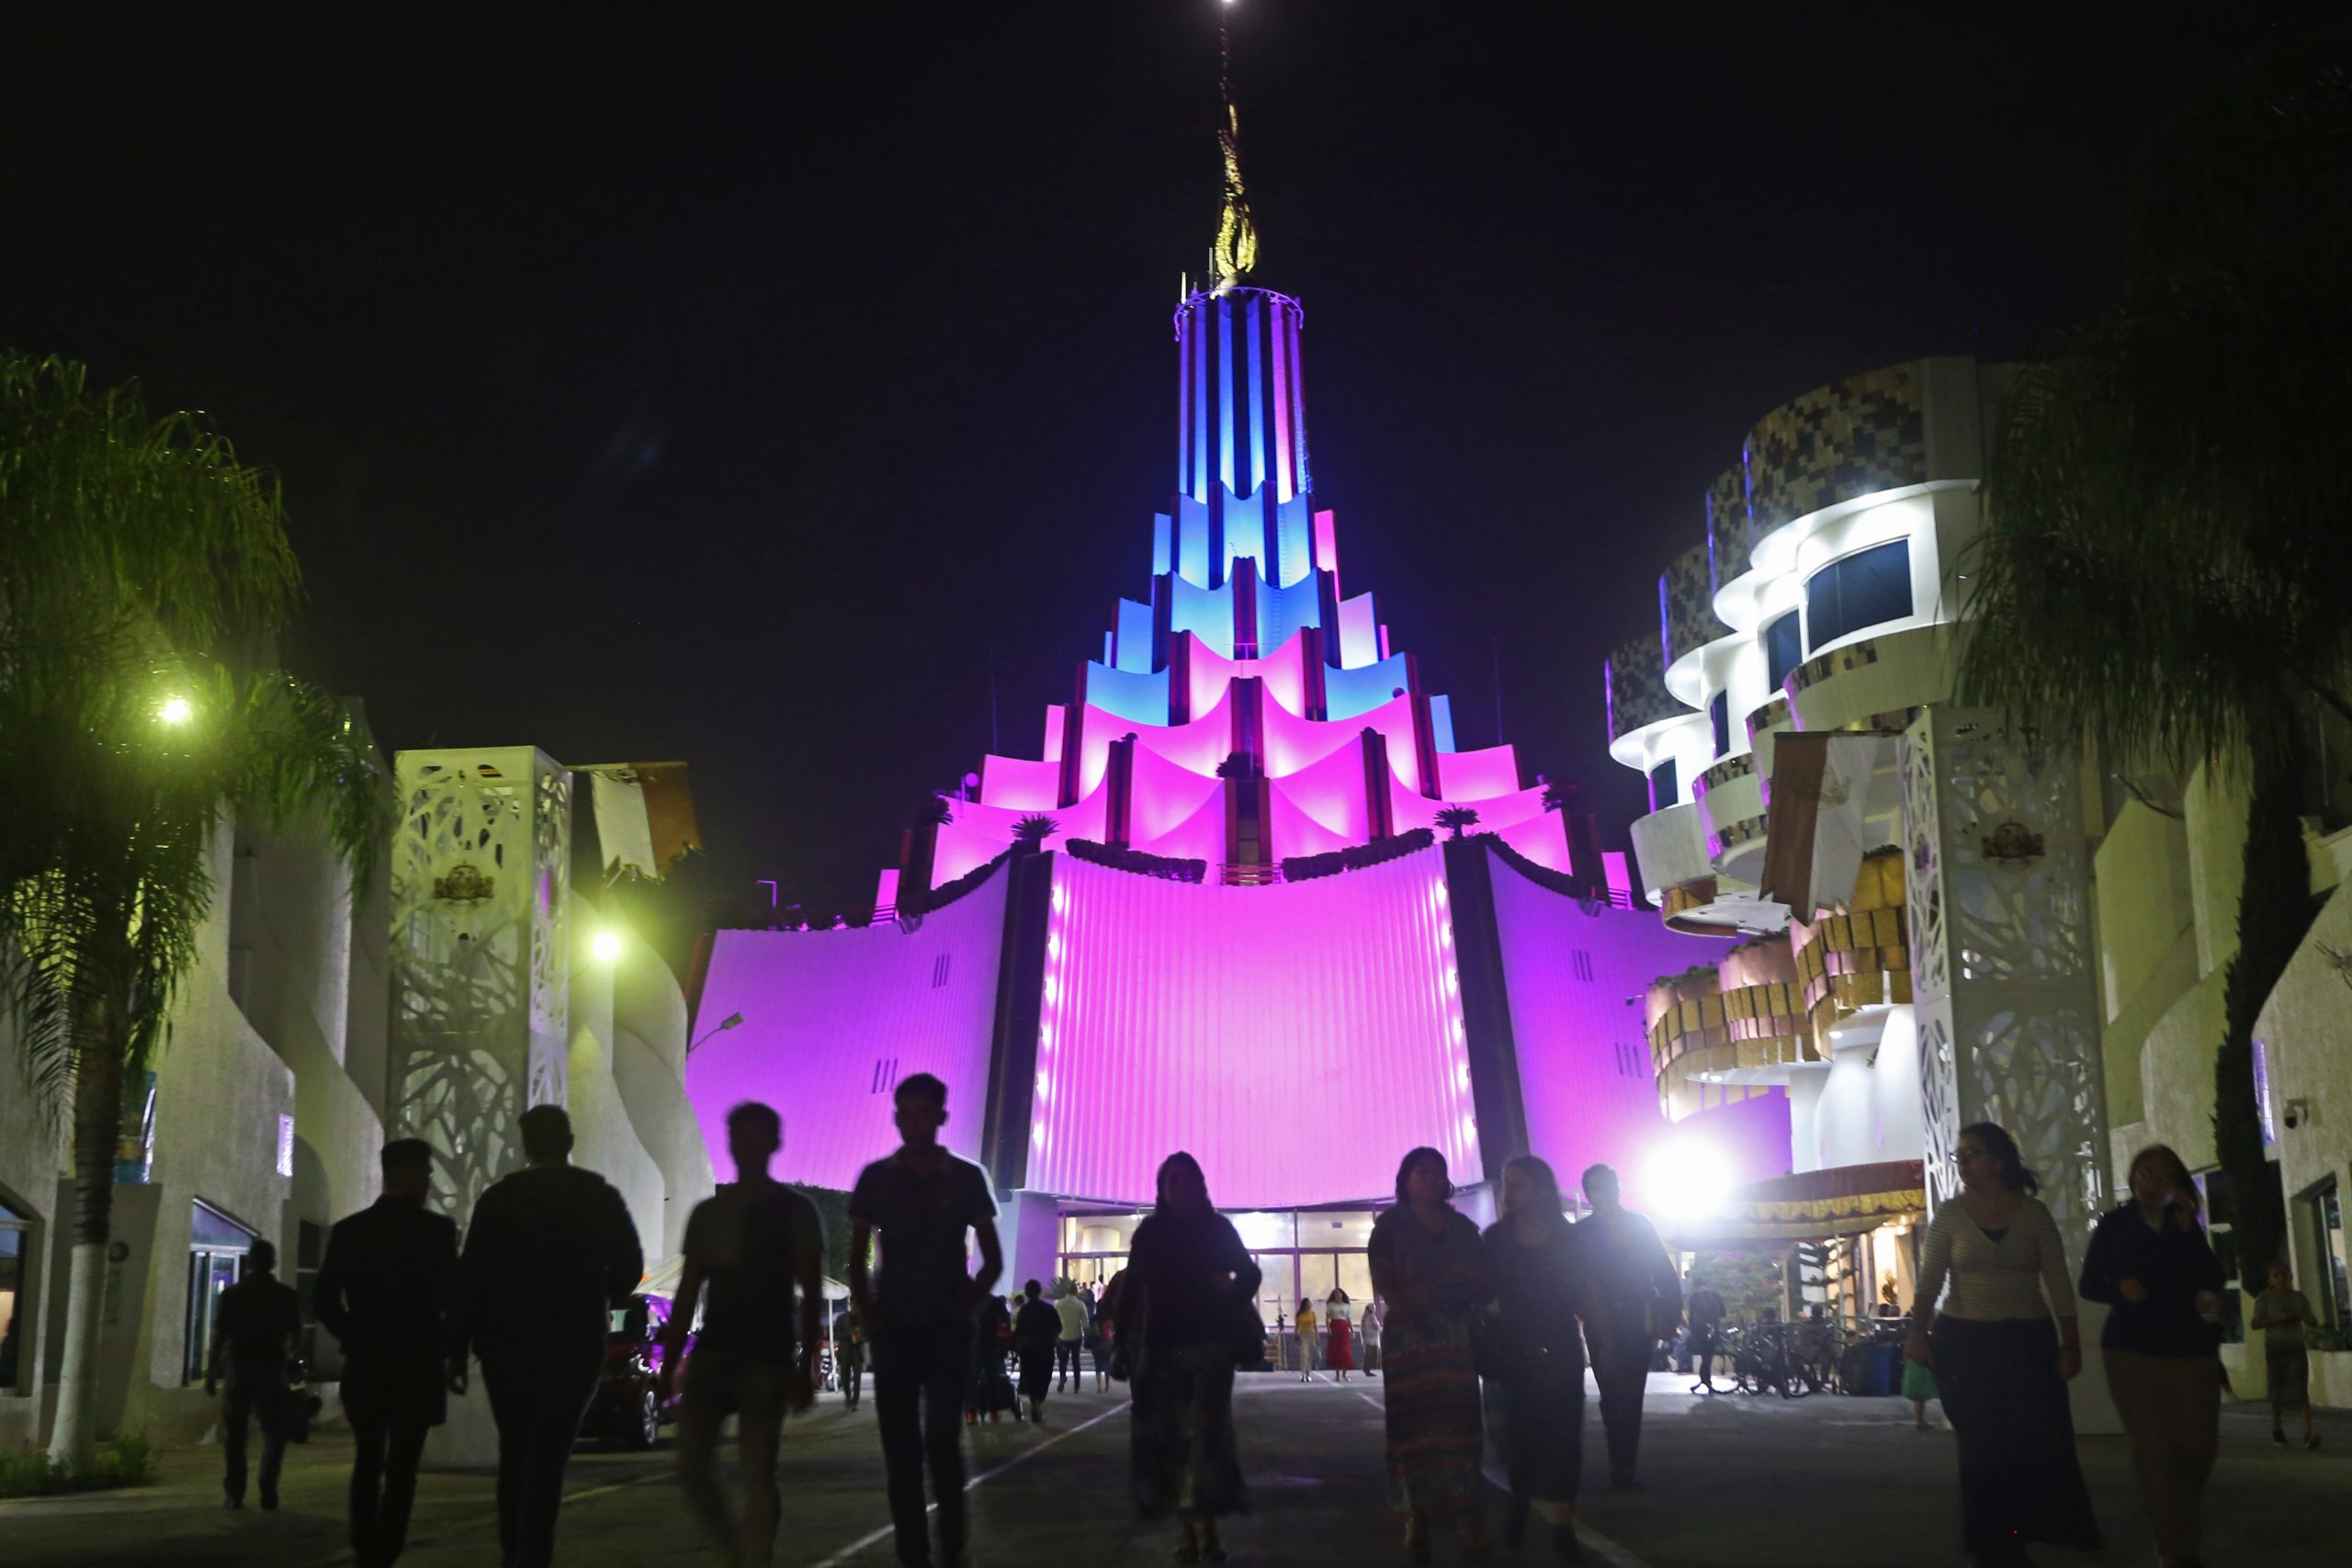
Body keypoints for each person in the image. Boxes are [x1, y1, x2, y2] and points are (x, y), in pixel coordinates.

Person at [461, 1103, 646, 1568]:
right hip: (574, 1340)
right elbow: (628, 1265)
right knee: (549, 1454)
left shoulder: (499, 1199)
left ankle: (514, 1551)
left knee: (516, 1449)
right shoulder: (597, 1195)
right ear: (569, 1142)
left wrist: (457, 1343)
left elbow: (471, 1276)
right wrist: (595, 1295)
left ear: (525, 1145)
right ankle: (534, 1554)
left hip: (507, 1343)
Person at [1907, 1122, 2098, 1567]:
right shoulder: (1951, 1216)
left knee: (2029, 1443)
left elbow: (2056, 1278)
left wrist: (2070, 1341)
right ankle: (1994, 1543)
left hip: (2025, 1342)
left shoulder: (2033, 1215)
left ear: (1998, 1161)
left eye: (1971, 1154)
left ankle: (2019, 1530)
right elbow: (1930, 1279)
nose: (1963, 1163)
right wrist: (1918, 1332)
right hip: (1966, 1341)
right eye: (1959, 1156)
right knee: (1980, 1446)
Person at [848, 1073, 1003, 1568]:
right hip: (894, 1330)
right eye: (904, 1113)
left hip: (945, 1333)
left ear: (941, 1117)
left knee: (941, 1438)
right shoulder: (876, 1179)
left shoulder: (964, 1177)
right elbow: (855, 1258)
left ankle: (952, 1546)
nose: (912, 1123)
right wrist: (870, 1315)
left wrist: (963, 1309)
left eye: (923, 1113)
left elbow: (993, 1259)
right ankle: (913, 1553)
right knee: (900, 1450)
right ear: (896, 1117)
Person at [663, 1101, 824, 1568]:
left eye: (756, 1137)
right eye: (740, 1136)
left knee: (758, 1469)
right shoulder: (710, 1213)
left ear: (773, 1143)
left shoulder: (796, 1211)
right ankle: (739, 1554)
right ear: (730, 1143)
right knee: (692, 1467)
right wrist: (672, 1361)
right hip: (715, 1350)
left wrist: (804, 1365)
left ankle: (755, 1559)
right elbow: (689, 1291)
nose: (747, 1146)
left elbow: (811, 1292)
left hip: (767, 1356)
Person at [312, 1138, 465, 1567]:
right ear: (412, 1174)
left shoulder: (351, 1231)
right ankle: (388, 1548)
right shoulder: (437, 1233)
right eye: (427, 1174)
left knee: (367, 1459)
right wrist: (453, 1352)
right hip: (417, 1362)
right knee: (403, 1468)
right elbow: (453, 1299)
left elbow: (324, 1298)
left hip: (369, 1361)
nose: (430, 1183)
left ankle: (365, 1546)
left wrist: (352, 1332)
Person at [2077, 1144, 2226, 1568]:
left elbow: (2212, 1277)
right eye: (2144, 1172)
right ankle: (2174, 1546)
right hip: (2132, 1348)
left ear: (2176, 1184)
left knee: (2198, 1447)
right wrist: (2119, 1289)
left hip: (2189, 1347)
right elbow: (2090, 1283)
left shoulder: (2184, 1227)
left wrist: (2186, 1226)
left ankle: (2182, 1527)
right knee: (2152, 1447)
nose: (2151, 1181)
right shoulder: (2116, 1224)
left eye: (2161, 1175)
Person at [1113, 1151, 1261, 1565]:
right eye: (1171, 1180)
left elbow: (1249, 1273)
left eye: (1187, 1179)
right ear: (1161, 1189)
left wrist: (1229, 1294)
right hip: (1162, 1348)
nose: (1179, 1187)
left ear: (1200, 1186)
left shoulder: (1217, 1229)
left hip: (1209, 1347)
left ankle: (1205, 1527)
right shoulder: (1151, 1233)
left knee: (1207, 1440)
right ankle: (1187, 1528)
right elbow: (1131, 1289)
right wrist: (1121, 1343)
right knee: (1170, 1443)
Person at [1368, 1146, 1488, 1562]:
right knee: (1411, 1429)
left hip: (1454, 1337)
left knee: (1459, 1426)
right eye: (1420, 1172)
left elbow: (1479, 1277)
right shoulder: (1389, 1227)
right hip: (1409, 1340)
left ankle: (1465, 1519)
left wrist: (1452, 1294)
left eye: (1437, 1172)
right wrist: (1410, 1308)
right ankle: (1415, 1519)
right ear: (1405, 1180)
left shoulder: (1462, 1228)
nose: (1430, 1179)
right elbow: (1383, 1277)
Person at [1483, 1156, 1593, 1562]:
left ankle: (1563, 1524)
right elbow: (1480, 1291)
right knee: (1516, 1431)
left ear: (1542, 1189)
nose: (1509, 1192)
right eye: (1506, 1183)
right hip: (1510, 1345)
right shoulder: (1495, 1238)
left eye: (1518, 1183)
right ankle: (1520, 1498)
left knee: (1564, 1434)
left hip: (1559, 1343)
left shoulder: (1569, 1238)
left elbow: (1586, 1291)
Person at [1562, 1163, 1680, 1489]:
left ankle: (1624, 1463)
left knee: (1633, 1391)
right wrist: (1583, 1311)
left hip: (1637, 1317)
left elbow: (1663, 1270)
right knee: (1614, 1390)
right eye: (1598, 1187)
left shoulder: (1639, 1225)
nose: (1607, 1192)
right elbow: (1572, 1281)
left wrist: (1671, 1312)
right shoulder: (1582, 1233)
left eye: (1610, 1184)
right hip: (1601, 1320)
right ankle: (1621, 1460)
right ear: (1589, 1194)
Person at [205, 1237, 301, 1511]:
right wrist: (287, 1357)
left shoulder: (233, 1295)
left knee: (235, 1436)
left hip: (239, 1368)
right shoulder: (286, 1295)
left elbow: (219, 1335)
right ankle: (268, 1485)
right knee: (274, 1433)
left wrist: (211, 1370)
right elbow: (296, 1337)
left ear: (248, 1262)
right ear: (272, 1263)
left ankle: (235, 1493)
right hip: (271, 1369)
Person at [2252, 1259, 2321, 1450]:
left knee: (2300, 1388)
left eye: (2284, 1275)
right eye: (2276, 1276)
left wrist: (2300, 1316)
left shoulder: (2298, 1298)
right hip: (2276, 1348)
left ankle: (2307, 1433)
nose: (2281, 1279)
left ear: (2290, 1277)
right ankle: (2277, 1427)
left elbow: (2313, 1320)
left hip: (2296, 1347)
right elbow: (2255, 1323)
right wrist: (2276, 1319)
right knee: (2277, 1388)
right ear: (2270, 1280)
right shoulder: (2265, 1299)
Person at [1014, 1280, 1061, 1423]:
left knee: (1032, 1377)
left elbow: (1019, 1331)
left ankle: (1034, 1401)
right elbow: (1058, 1327)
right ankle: (1038, 1402)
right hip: (1045, 1348)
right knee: (1044, 1376)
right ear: (1040, 1291)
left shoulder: (1024, 1311)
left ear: (1027, 1293)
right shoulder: (1048, 1309)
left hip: (1028, 1349)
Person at [1685, 1273, 1725, 1394]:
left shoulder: (1693, 1298)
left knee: (1705, 1356)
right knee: (1708, 1356)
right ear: (1705, 1284)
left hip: (1699, 1331)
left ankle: (1705, 1380)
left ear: (1695, 1286)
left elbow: (1691, 1316)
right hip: (1713, 1329)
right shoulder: (1715, 1295)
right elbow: (1723, 1312)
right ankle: (1706, 1380)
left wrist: (1692, 1331)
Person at [1054, 1281, 1089, 1393]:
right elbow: (1085, 1323)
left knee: (1062, 1361)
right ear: (1076, 1292)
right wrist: (1085, 1330)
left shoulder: (1058, 1303)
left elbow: (1054, 1319)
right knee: (1076, 1361)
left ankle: (1063, 1376)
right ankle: (1077, 1385)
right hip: (1076, 1336)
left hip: (1062, 1336)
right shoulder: (1080, 1304)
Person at [835, 1303, 867, 1412]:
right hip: (845, 1351)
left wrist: (861, 1338)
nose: (855, 1307)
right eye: (854, 1304)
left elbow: (867, 1334)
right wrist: (849, 1334)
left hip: (857, 1352)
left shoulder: (862, 1319)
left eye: (857, 1305)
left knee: (857, 1378)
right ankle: (848, 1397)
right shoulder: (842, 1318)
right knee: (845, 1377)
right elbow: (837, 1334)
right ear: (851, 1304)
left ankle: (855, 1401)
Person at [1326, 1288, 1355, 1382]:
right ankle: (1338, 1374)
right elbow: (1328, 1318)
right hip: (1334, 1326)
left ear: (1342, 1294)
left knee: (1345, 1351)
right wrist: (1329, 1329)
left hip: (1344, 1328)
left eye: (1339, 1293)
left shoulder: (1346, 1306)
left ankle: (1345, 1374)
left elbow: (1348, 1319)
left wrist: (1352, 1330)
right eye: (1335, 1294)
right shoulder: (1330, 1305)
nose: (1337, 1295)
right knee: (1336, 1350)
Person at [1294, 1297, 1319, 1382]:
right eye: (1308, 1303)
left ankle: (1308, 1374)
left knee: (1310, 1356)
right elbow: (1297, 1326)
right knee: (1304, 1354)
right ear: (1304, 1305)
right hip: (1302, 1335)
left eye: (1310, 1303)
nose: (1309, 1305)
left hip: (1311, 1335)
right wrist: (1295, 1335)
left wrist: (1317, 1336)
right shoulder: (1299, 1315)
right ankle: (1302, 1373)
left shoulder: (1312, 1314)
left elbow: (1315, 1326)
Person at [1361, 1296, 1383, 1378]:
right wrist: (1379, 1324)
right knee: (1372, 1354)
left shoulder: (1364, 1317)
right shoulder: (1372, 1317)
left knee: (1367, 1354)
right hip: (1372, 1338)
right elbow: (1377, 1326)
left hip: (1366, 1337)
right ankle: (1368, 1369)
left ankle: (1366, 1369)